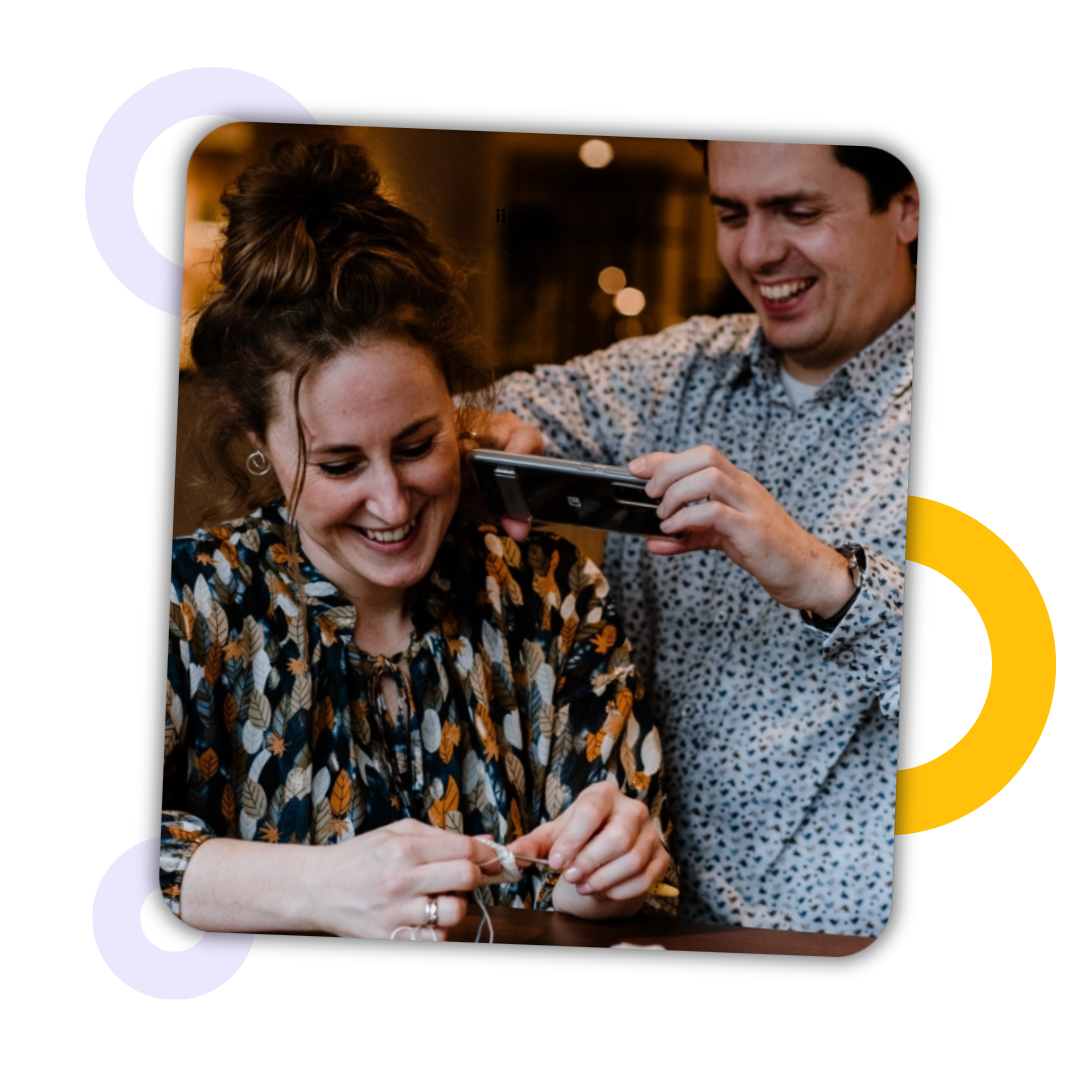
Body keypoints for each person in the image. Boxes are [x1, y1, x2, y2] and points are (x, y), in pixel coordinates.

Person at [163, 138, 673, 940]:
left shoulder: (553, 596)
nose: (392, 503)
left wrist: (613, 875)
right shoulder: (193, 602)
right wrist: (319, 887)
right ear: (258, 441)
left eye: (417, 445)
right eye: (339, 465)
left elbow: (608, 894)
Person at [487, 140, 917, 936]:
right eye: (731, 214)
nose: (756, 252)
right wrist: (488, 438)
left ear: (907, 207)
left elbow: (1006, 694)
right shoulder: (670, 375)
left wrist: (823, 579)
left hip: (835, 942)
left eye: (798, 211)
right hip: (638, 923)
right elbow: (448, 419)